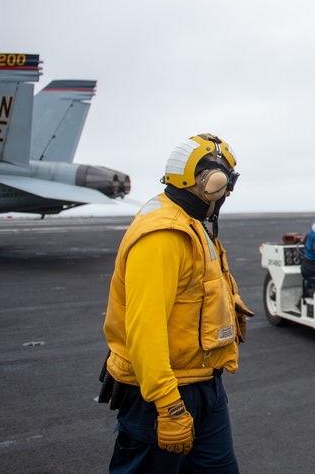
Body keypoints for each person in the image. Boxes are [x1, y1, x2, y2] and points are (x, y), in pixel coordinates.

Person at [100, 133, 254, 473]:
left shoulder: (193, 224)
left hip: (204, 382)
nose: (228, 192)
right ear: (211, 183)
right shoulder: (164, 235)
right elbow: (145, 330)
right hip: (162, 394)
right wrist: (169, 406)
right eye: (227, 182)